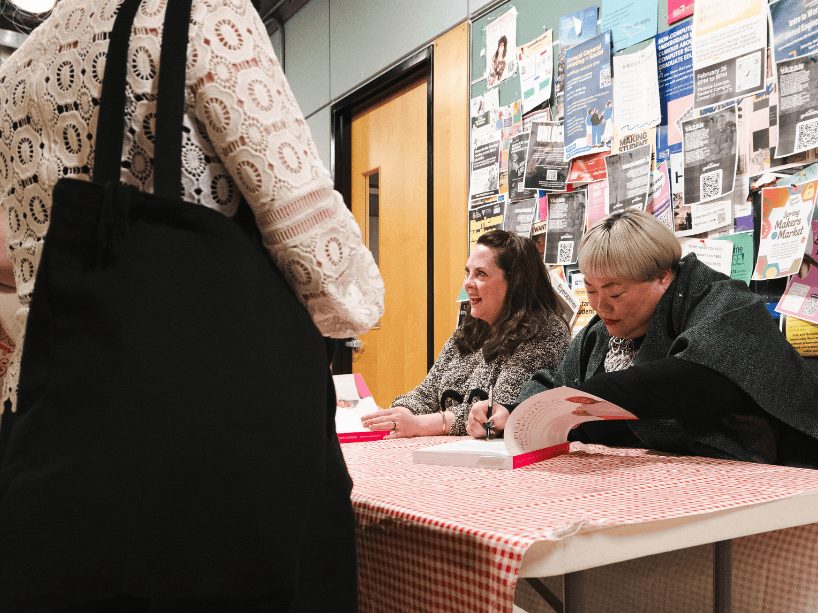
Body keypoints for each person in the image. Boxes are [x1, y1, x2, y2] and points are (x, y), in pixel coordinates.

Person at [0, 0, 384, 611]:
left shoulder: (17, 70)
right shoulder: (200, 14)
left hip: (46, 439)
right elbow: (336, 285)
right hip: (208, 467)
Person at [468, 209, 818, 468]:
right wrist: (510, 412)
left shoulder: (727, 304)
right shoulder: (599, 334)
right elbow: (554, 384)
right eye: (591, 290)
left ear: (663, 276)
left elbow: (701, 381)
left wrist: (579, 401)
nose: (601, 306)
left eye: (615, 293)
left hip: (785, 477)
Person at [361, 230, 570, 438]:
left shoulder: (545, 332)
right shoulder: (471, 329)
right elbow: (427, 391)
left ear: (515, 283)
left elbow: (497, 410)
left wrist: (420, 424)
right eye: (467, 272)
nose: (468, 283)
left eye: (481, 274)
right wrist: (401, 413)